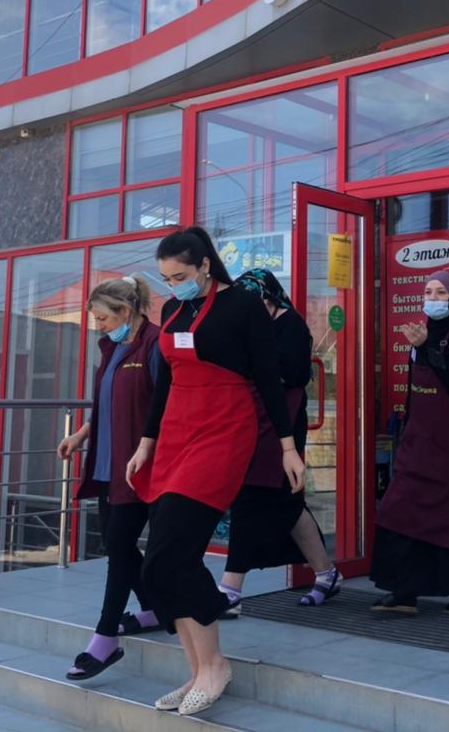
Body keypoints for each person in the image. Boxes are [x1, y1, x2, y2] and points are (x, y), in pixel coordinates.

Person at [126, 227, 305, 717]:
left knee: (170, 556)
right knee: (159, 564)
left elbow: (269, 379)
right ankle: (197, 670)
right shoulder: (172, 310)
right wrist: (146, 442)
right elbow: (165, 384)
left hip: (223, 432)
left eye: (180, 275)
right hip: (176, 434)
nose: (173, 285)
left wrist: (288, 447)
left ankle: (215, 666)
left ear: (205, 265)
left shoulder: (243, 305)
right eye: (166, 278)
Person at [56, 276, 162, 680]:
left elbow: (162, 406)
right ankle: (155, 609)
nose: (98, 326)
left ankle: (105, 638)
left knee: (118, 546)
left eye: (102, 318)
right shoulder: (113, 348)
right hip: (106, 463)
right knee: (115, 544)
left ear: (126, 311)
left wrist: (149, 450)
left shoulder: (154, 344)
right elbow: (108, 402)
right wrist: (81, 435)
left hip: (138, 467)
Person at [218, 268, 341, 614]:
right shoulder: (251, 325)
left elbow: (296, 374)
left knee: (251, 499)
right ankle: (326, 574)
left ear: (268, 296)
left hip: (281, 425)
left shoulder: (292, 325)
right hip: (251, 421)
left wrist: (254, 363)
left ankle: (229, 590)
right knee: (288, 503)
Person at [370, 270, 449, 615]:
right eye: (428, 292)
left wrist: (426, 348)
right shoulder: (420, 334)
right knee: (399, 511)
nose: (432, 298)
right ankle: (404, 591)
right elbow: (414, 389)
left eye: (440, 293)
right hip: (419, 442)